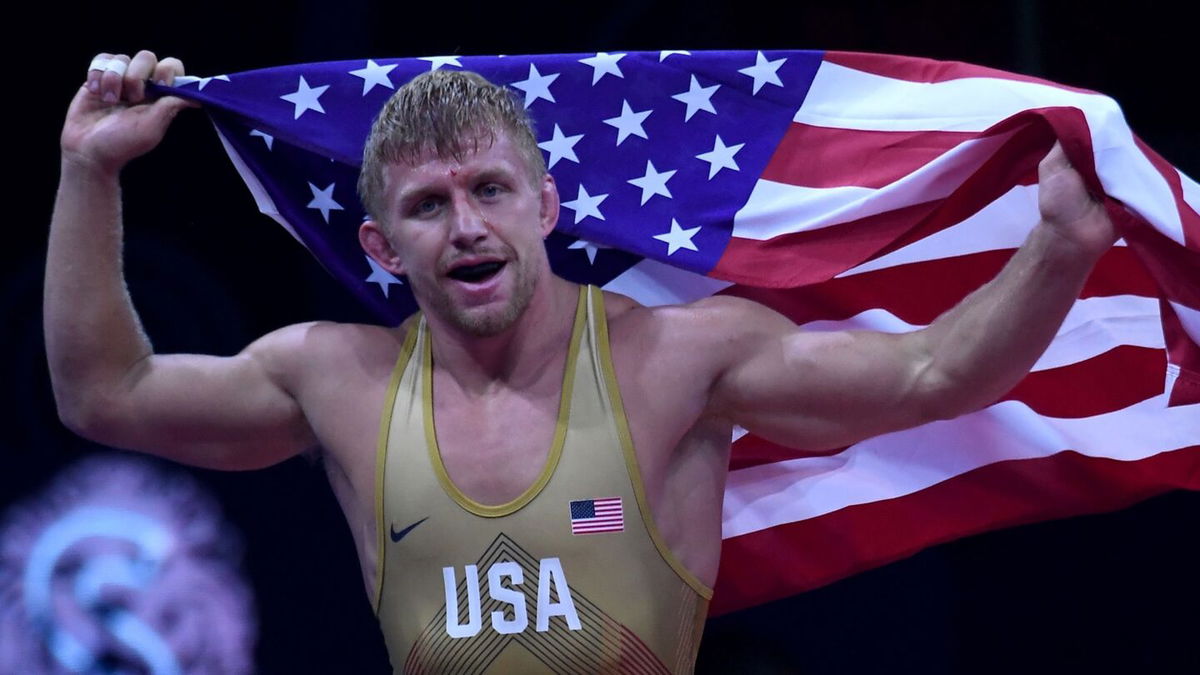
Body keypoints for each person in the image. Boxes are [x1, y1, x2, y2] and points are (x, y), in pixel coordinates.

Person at [47, 50, 1117, 674]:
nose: (466, 226)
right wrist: (88, 172)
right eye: (428, 206)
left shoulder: (678, 359)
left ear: (548, 207)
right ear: (381, 247)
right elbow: (107, 394)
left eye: (490, 191)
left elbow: (934, 375)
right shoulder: (334, 378)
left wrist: (1059, 246)